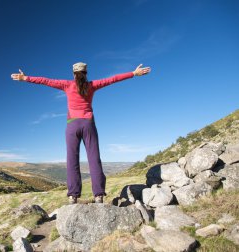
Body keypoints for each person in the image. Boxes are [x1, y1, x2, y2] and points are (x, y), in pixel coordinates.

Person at [11, 63, 151, 204]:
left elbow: (46, 81)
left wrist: (25, 78)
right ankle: (98, 195)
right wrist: (133, 73)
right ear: (86, 73)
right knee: (94, 159)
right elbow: (113, 79)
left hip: (72, 125)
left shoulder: (66, 84)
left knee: (72, 160)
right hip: (88, 124)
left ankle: (73, 196)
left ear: (73, 74)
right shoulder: (92, 85)